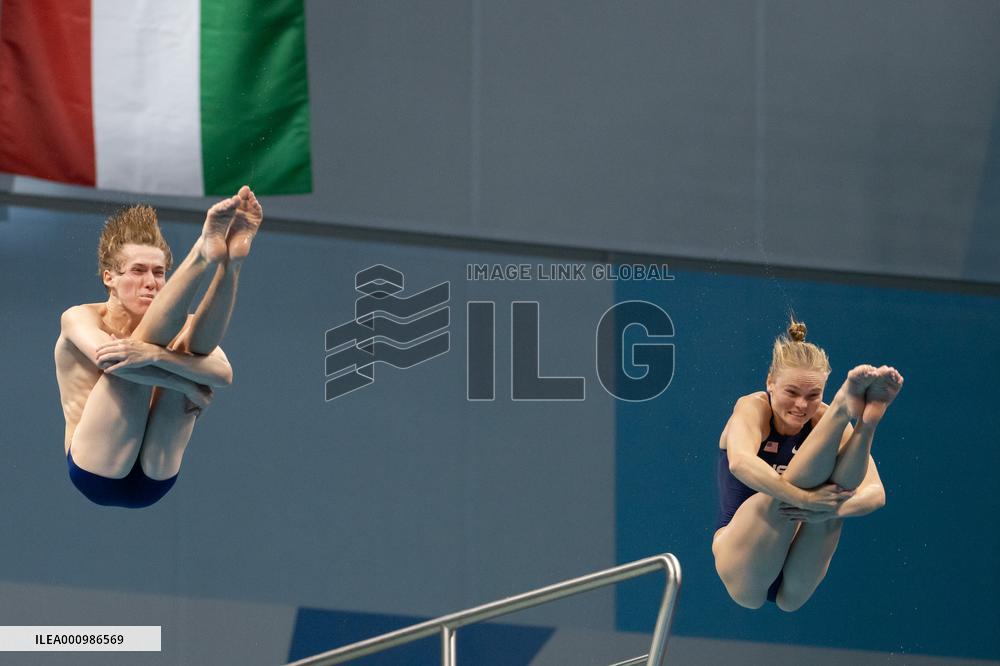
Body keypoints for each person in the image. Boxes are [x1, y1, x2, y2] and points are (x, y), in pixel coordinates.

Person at [54, 186, 263, 508]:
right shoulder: (79, 317)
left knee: (184, 348)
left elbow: (223, 374)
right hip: (97, 469)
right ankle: (201, 254)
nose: (150, 282)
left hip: (156, 475)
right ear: (109, 277)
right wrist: (184, 382)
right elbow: (114, 362)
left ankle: (230, 264)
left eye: (159, 272)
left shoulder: (181, 329)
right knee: (129, 358)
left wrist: (155, 357)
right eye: (138, 271)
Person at [712, 319, 903, 611]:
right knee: (781, 498)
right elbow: (740, 463)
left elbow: (876, 493)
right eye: (792, 392)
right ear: (770, 382)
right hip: (742, 558)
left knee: (837, 496)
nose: (802, 405)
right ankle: (844, 409)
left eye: (814, 395)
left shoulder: (820, 421)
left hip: (799, 562)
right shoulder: (752, 408)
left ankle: (867, 423)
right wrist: (805, 499)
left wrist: (826, 508)